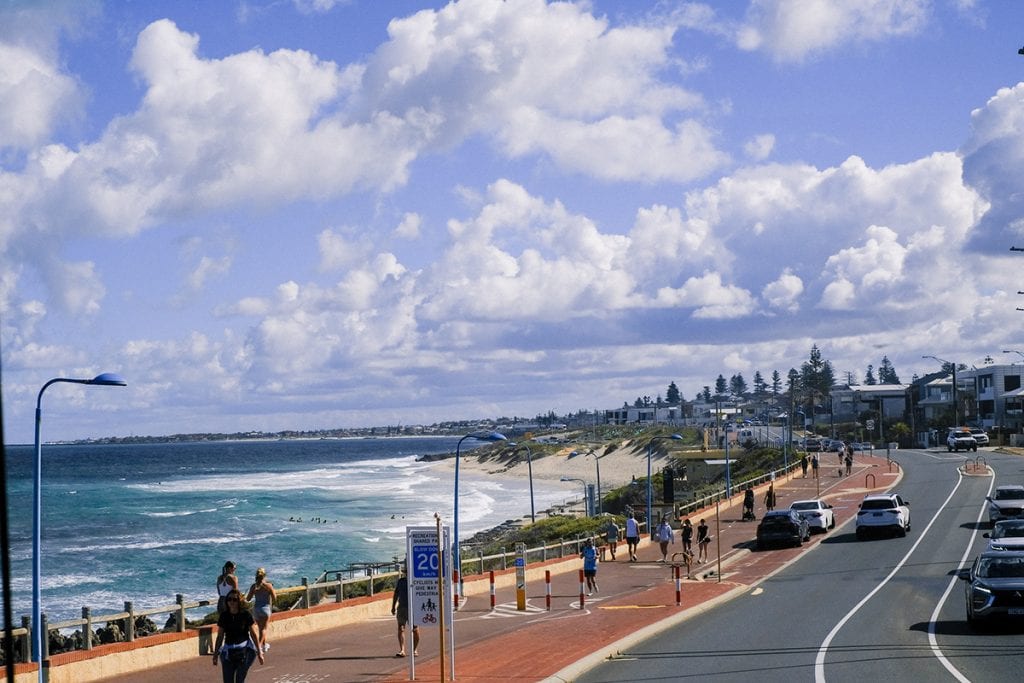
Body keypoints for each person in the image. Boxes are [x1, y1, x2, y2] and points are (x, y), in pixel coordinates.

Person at [212, 589, 264, 682]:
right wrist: (215, 654)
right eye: (229, 599)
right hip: (228, 651)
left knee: (240, 679)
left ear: (239, 601)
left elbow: (253, 634)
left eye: (234, 600)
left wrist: (259, 652)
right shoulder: (224, 616)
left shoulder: (246, 615)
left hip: (245, 651)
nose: (231, 602)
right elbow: (220, 636)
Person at [391, 563, 419, 657]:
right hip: (402, 607)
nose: (407, 574)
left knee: (415, 629)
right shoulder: (401, 581)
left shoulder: (416, 581)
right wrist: (393, 606)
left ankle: (414, 650)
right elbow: (396, 594)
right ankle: (402, 650)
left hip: (413, 607)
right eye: (406, 572)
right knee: (401, 628)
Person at [245, 567, 276, 653]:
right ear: (264, 576)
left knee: (260, 629)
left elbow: (248, 599)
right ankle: (258, 647)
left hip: (256, 609)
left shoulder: (254, 586)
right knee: (264, 629)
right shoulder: (268, 585)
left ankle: (264, 645)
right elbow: (274, 597)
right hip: (265, 608)